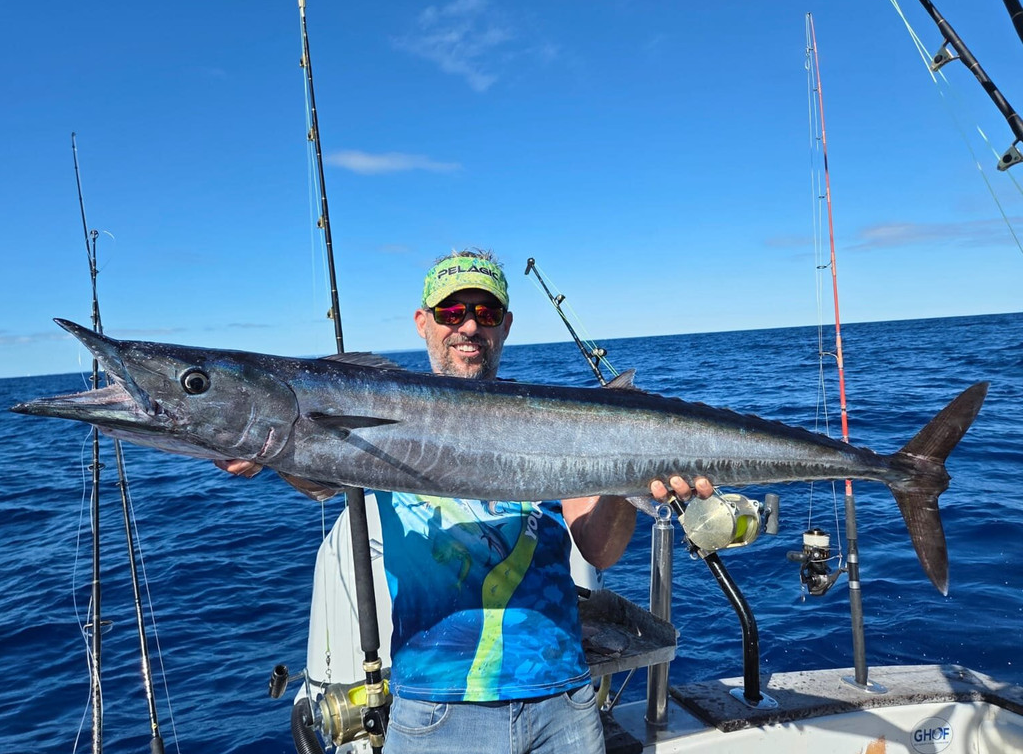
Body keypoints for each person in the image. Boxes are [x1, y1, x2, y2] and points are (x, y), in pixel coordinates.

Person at [218, 249, 713, 754]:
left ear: (506, 325)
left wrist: (631, 479)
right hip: (435, 706)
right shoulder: (376, 405)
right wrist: (273, 452)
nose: (470, 326)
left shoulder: (557, 421)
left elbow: (600, 550)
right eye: (452, 312)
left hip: (563, 700)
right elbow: (322, 483)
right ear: (423, 322)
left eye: (486, 312)